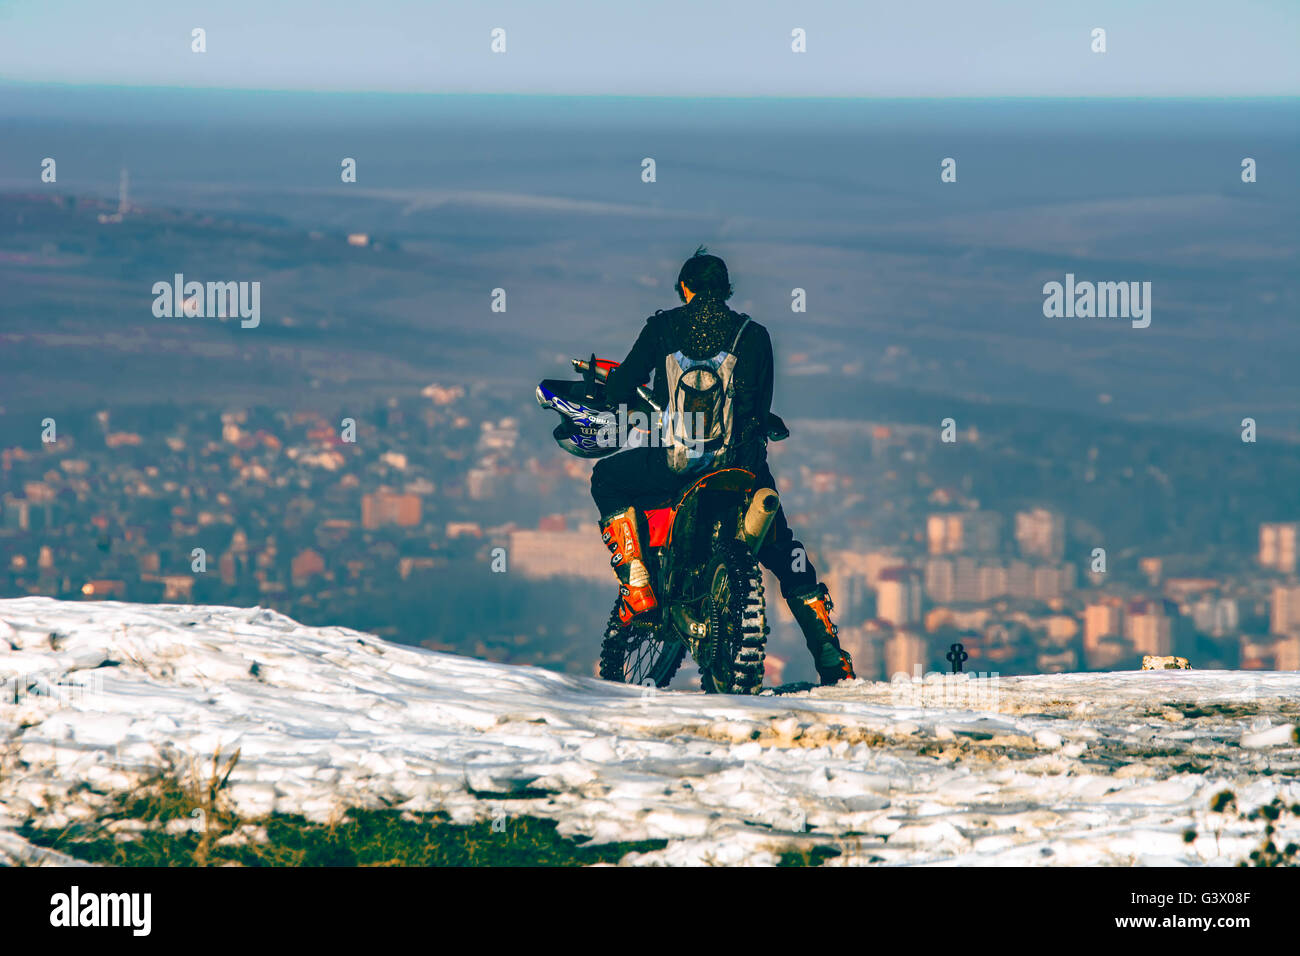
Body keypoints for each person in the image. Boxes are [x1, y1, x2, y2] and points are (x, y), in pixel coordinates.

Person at [590, 247, 855, 685]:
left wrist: (613, 389)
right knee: (787, 554)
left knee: (608, 478)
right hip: (741, 470)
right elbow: (758, 408)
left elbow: (623, 384)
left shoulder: (663, 327)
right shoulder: (755, 335)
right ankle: (832, 659)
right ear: (726, 291)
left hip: (676, 465)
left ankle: (637, 580)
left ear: (685, 289)